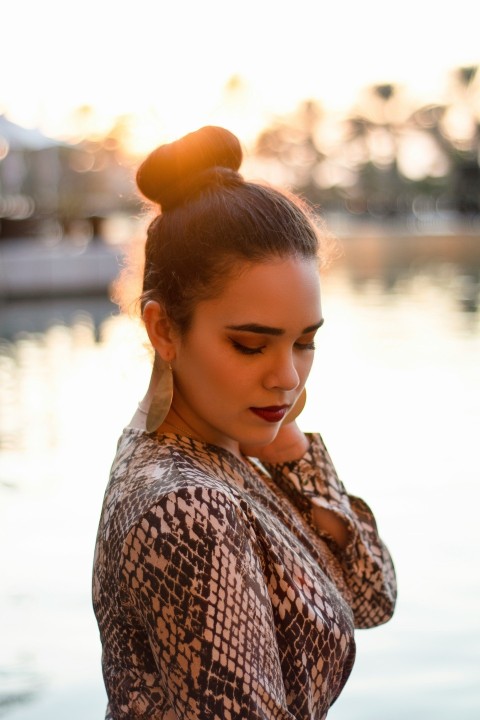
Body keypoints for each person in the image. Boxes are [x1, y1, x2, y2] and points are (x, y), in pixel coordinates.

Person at [92, 125, 396, 720]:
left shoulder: (215, 453)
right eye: (251, 345)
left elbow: (371, 597)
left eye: (304, 343)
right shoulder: (186, 508)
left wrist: (301, 459)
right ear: (164, 330)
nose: (288, 377)